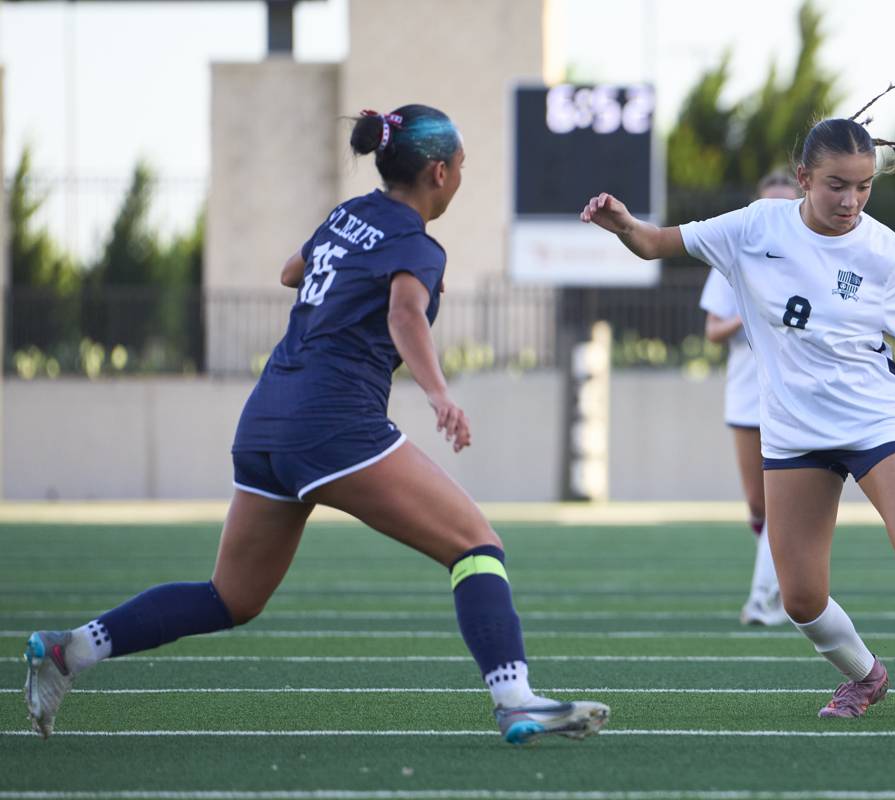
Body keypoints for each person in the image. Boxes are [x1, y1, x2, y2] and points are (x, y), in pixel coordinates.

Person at [22, 105, 609, 746]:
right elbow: (406, 315)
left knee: (231, 598)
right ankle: (515, 699)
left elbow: (290, 271)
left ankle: (69, 652)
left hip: (266, 421)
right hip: (333, 426)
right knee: (475, 546)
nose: (461, 178)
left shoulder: (347, 214)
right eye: (461, 167)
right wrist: (440, 394)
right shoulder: (417, 244)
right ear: (439, 172)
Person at [580, 88, 895, 719]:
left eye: (864, 188)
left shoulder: (881, 250)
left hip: (874, 418)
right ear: (805, 178)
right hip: (793, 433)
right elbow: (655, 243)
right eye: (838, 186)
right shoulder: (755, 226)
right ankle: (865, 676)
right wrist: (623, 225)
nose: (852, 202)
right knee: (801, 599)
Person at [698, 171, 800, 626]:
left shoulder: (810, 254)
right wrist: (748, 314)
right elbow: (713, 330)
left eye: (786, 203)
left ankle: (768, 596)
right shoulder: (733, 256)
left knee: (785, 501)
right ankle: (778, 584)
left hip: (795, 393)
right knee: (759, 507)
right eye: (768, 204)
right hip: (744, 395)